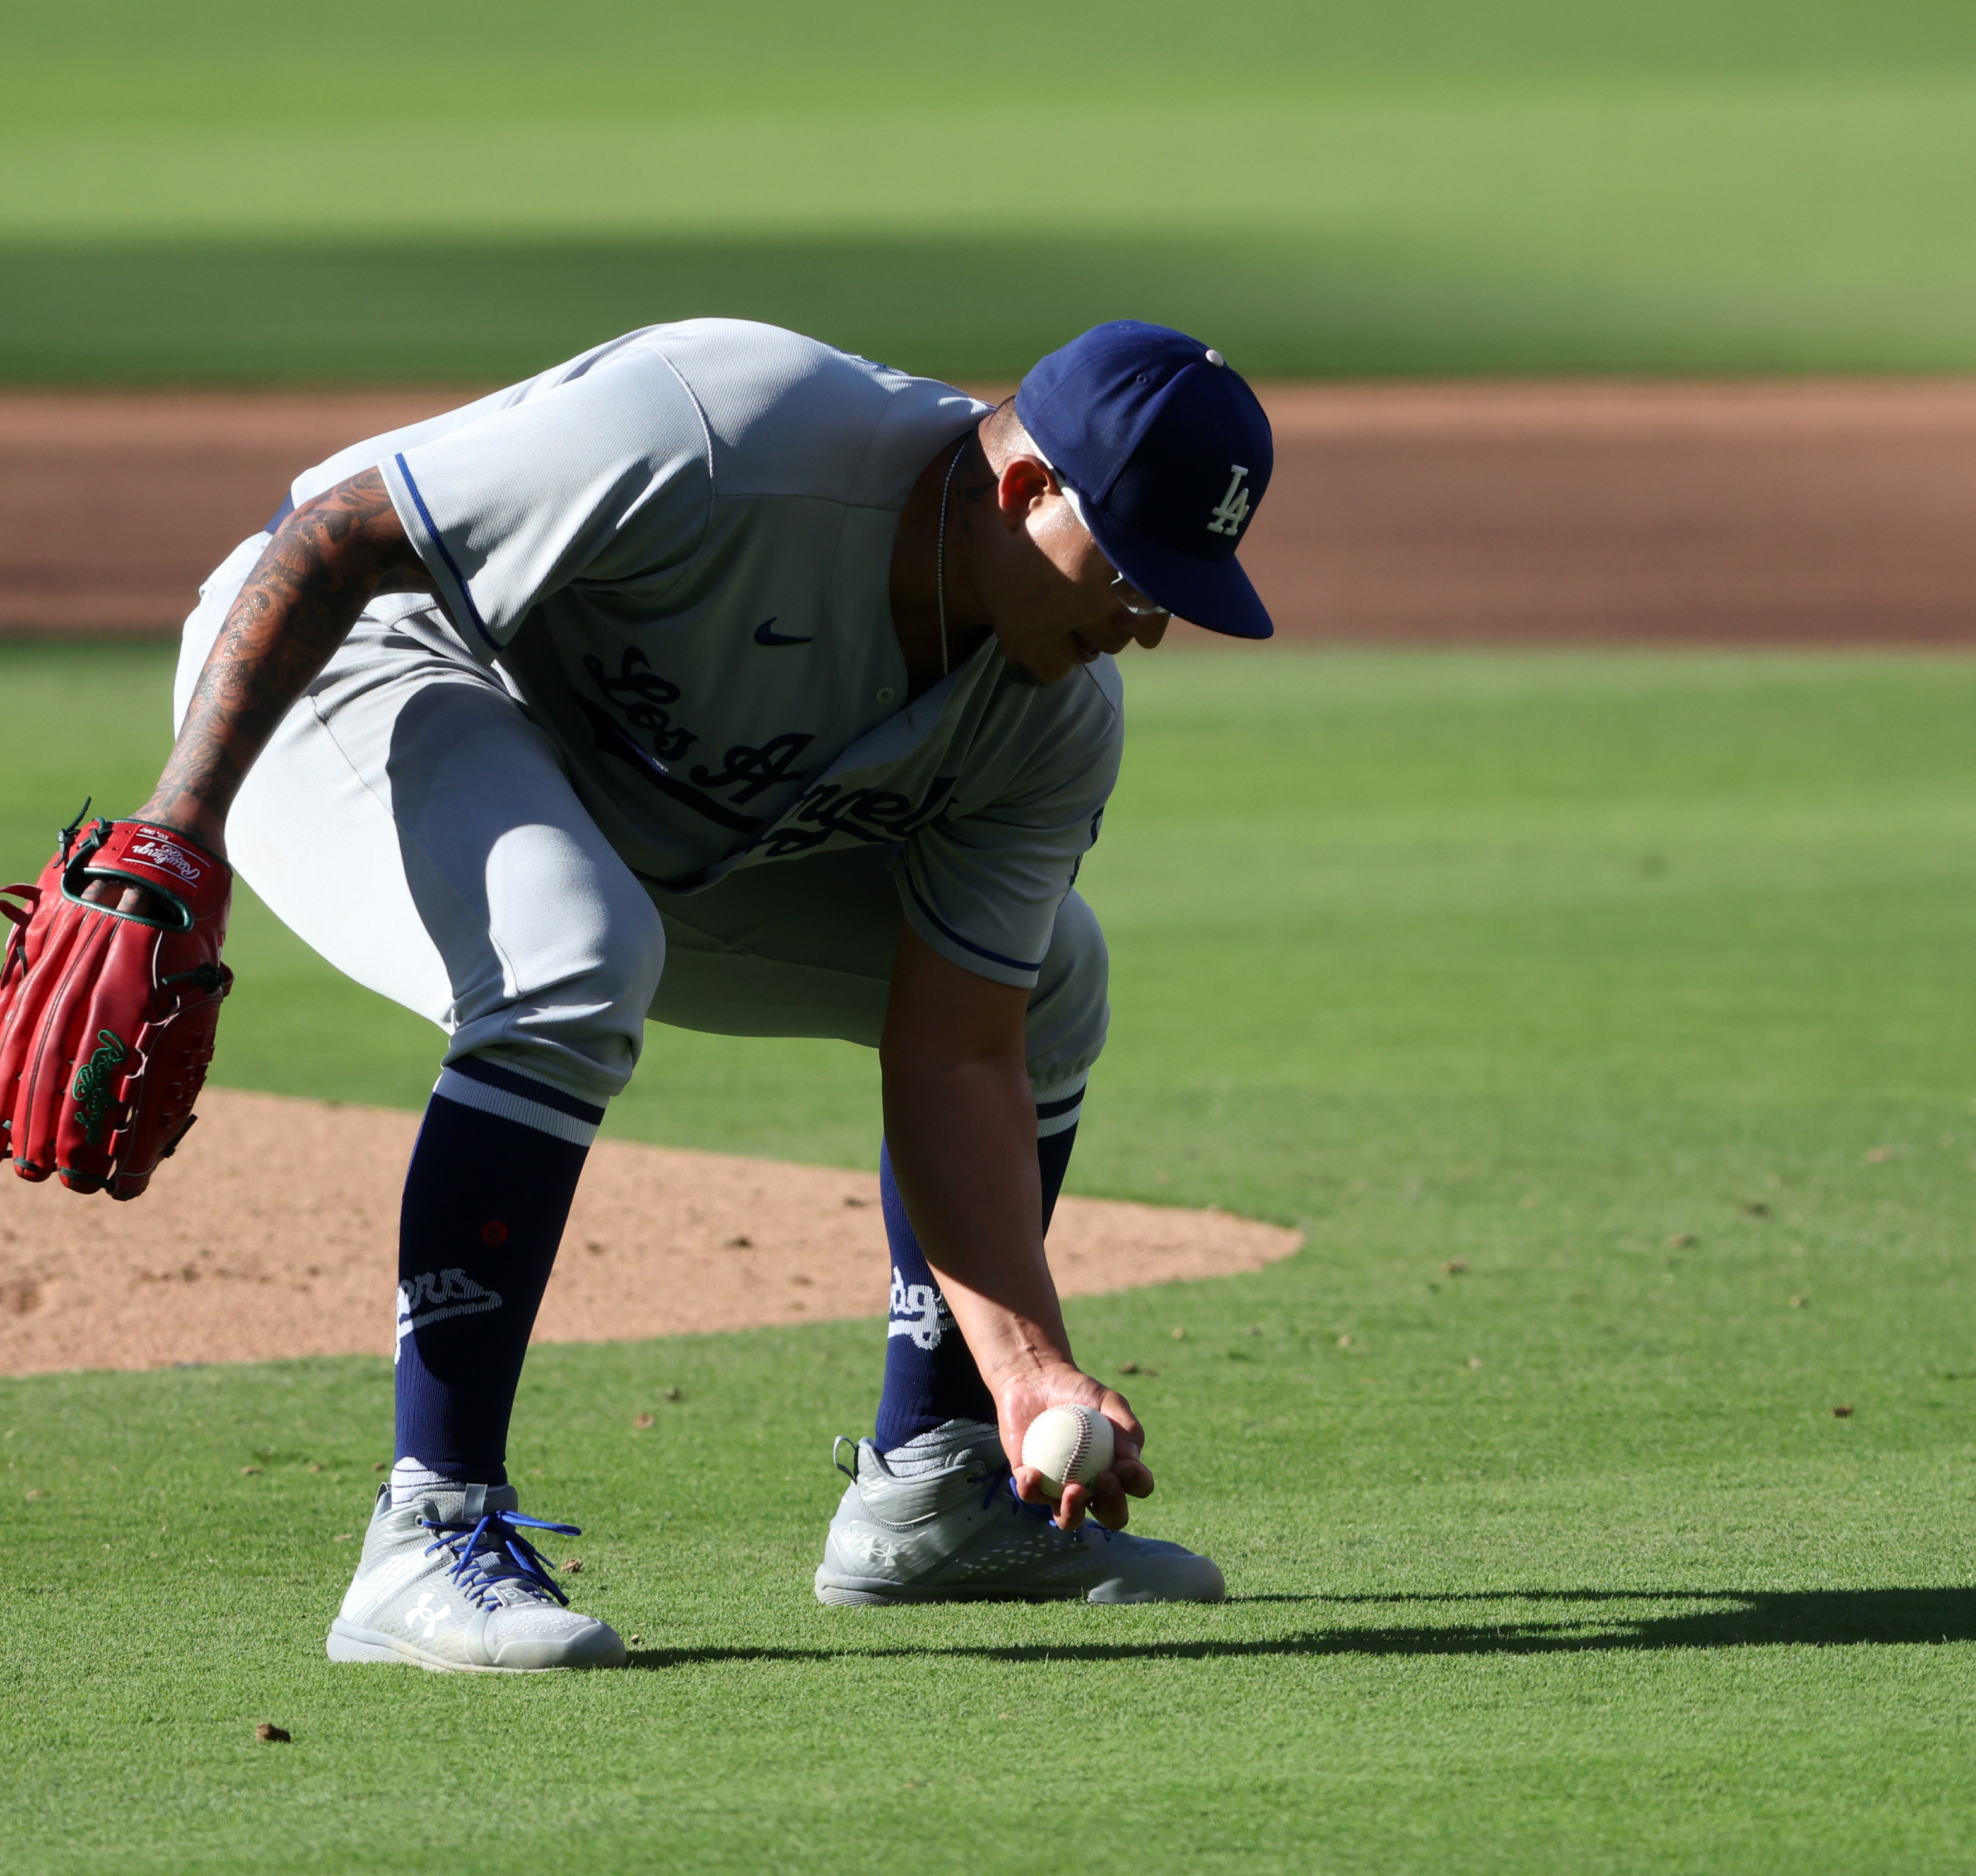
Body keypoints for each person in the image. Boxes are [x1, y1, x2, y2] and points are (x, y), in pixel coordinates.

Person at [122, 317, 1273, 1672]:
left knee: (1052, 978)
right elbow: (334, 537)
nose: (1145, 623)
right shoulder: (728, 426)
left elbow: (959, 1056)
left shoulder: (1051, 721)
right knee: (568, 951)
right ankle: (428, 1530)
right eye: (1135, 570)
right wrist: (177, 832)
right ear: (1025, 491)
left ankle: (941, 1490)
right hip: (362, 663)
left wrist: (1030, 1369)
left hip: (638, 798)